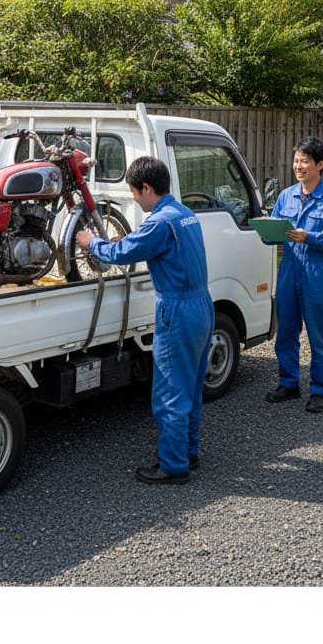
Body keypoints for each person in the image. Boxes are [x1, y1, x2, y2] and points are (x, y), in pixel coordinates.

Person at [76, 156, 213, 485]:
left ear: (147, 188)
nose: (135, 200)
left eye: (135, 193)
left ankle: (173, 466)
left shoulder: (159, 223)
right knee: (191, 387)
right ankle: (187, 451)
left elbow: (122, 253)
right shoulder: (185, 214)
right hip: (202, 305)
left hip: (177, 311)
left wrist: (90, 242)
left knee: (170, 393)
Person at [264, 136, 323, 413]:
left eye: (305, 161)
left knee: (318, 335)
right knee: (286, 330)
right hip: (288, 270)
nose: (298, 166)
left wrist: (310, 237)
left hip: (317, 274)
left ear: (320, 165)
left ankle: (320, 390)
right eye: (296, 161)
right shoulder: (285, 195)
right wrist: (266, 232)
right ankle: (289, 384)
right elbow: (275, 230)